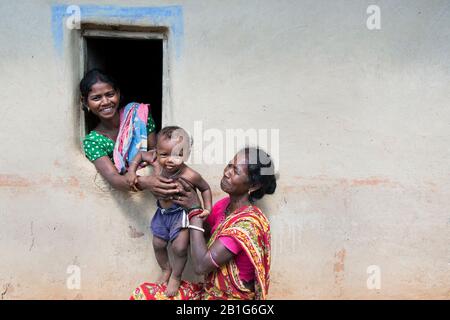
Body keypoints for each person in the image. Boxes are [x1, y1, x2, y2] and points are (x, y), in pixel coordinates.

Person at [130, 147, 276, 300]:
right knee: (143, 293)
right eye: (229, 165)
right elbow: (198, 233)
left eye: (236, 171)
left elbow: (201, 266)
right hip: (209, 292)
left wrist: (194, 210)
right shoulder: (224, 205)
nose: (227, 172)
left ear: (253, 186)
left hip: (230, 299)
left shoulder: (246, 225)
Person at [125, 126, 212, 297]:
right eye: (164, 155)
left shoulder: (190, 175)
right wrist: (131, 171)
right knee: (158, 245)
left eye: (178, 155)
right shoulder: (156, 162)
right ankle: (166, 268)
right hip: (162, 214)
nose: (170, 160)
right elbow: (141, 155)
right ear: (157, 152)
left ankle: (176, 276)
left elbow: (205, 188)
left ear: (186, 154)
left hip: (181, 215)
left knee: (179, 248)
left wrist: (208, 208)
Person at [80, 69, 179, 198]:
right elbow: (114, 178)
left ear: (118, 93)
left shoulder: (139, 116)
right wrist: (146, 182)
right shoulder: (93, 142)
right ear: (85, 101)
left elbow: (156, 153)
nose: (105, 102)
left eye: (110, 94)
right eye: (96, 98)